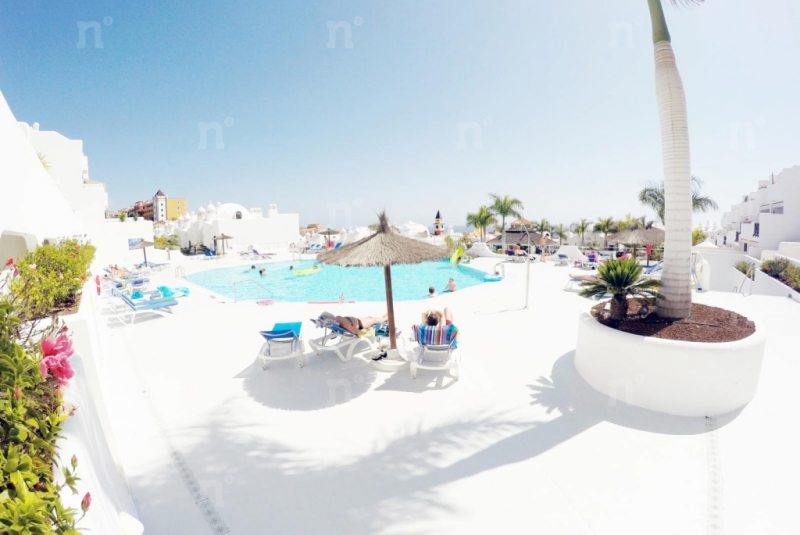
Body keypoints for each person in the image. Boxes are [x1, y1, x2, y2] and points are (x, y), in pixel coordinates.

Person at [319, 311, 388, 336]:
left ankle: (386, 314)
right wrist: (365, 331)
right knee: (376, 320)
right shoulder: (341, 321)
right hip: (361, 324)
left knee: (373, 318)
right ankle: (389, 316)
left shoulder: (335, 321)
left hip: (357, 320)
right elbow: (355, 331)